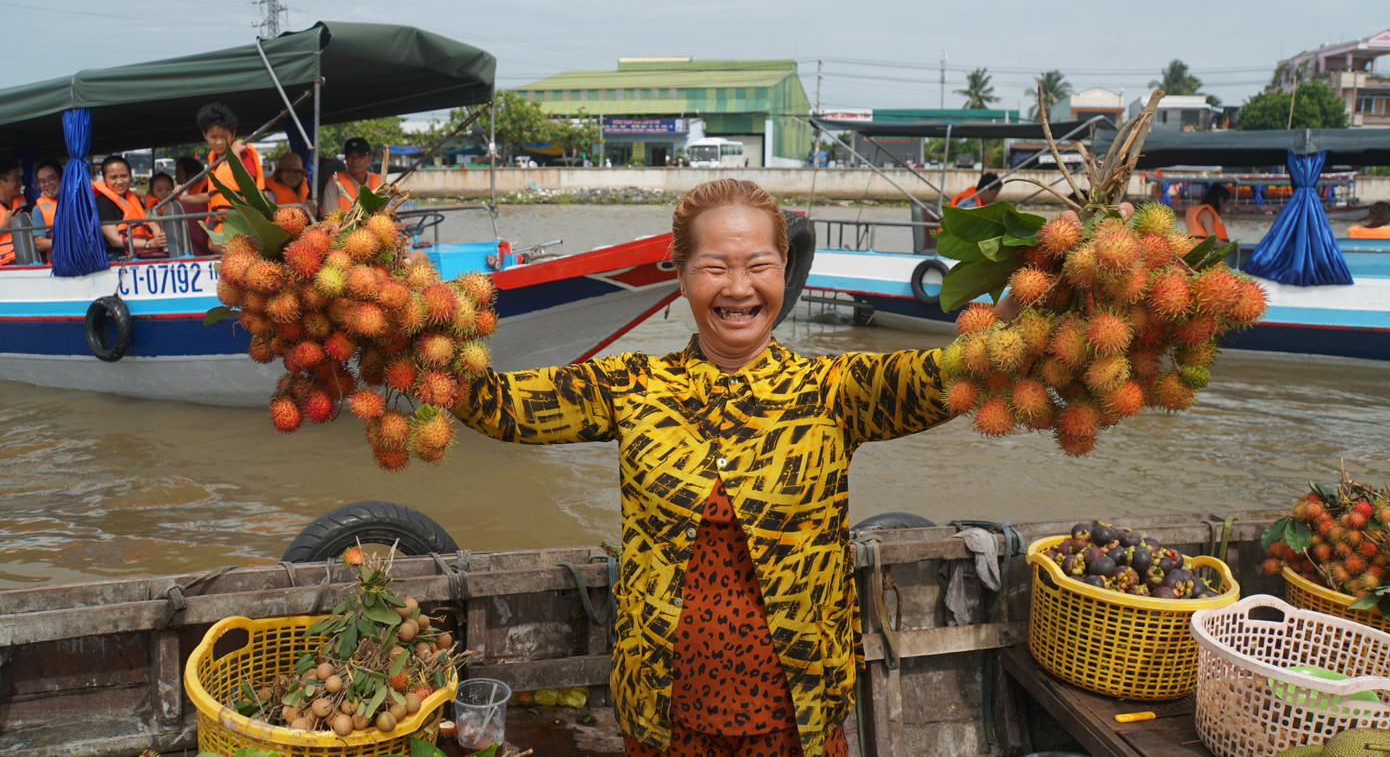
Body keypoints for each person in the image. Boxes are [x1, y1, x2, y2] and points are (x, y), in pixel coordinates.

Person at [454, 179, 1014, 757]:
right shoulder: (633, 386)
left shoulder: (834, 390)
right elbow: (496, 405)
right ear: (681, 276)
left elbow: (960, 372)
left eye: (759, 265)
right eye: (714, 267)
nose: (739, 288)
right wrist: (421, 323)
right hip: (661, 712)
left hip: (798, 714)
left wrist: (1029, 292)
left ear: (785, 271)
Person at [194, 102, 265, 247]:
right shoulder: (214, 159)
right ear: (204, 135)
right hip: (222, 225)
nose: (219, 142)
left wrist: (236, 154)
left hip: (245, 223)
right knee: (212, 245)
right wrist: (186, 197)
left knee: (213, 245)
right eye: (213, 137)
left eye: (224, 136)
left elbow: (250, 188)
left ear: (233, 133)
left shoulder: (243, 153)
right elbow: (215, 194)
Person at [93, 155, 165, 256]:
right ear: (104, 179)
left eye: (124, 176)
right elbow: (114, 240)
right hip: (116, 254)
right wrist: (149, 244)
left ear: (130, 176)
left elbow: (148, 220)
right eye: (113, 177)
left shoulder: (133, 197)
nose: (120, 181)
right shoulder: (102, 203)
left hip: (141, 250)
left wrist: (160, 237)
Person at [319, 137, 381, 217]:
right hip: (341, 225)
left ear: (369, 158)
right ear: (346, 158)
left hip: (374, 224)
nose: (355, 160)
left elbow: (386, 214)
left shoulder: (379, 181)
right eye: (350, 156)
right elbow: (329, 218)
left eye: (360, 156)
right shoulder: (335, 182)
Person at [176, 155, 216, 256]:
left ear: (192, 176)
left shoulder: (206, 188)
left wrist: (187, 198)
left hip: (209, 233)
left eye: (179, 174)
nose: (176, 178)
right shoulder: (182, 191)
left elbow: (213, 196)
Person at [31, 159, 60, 259]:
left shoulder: (78, 202)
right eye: (42, 181)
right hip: (59, 262)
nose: (47, 184)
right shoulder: (38, 210)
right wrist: (69, 244)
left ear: (61, 178)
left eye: (51, 178)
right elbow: (40, 243)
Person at [0, 159, 25, 265]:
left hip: (26, 255)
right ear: (1, 182)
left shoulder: (21, 199)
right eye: (16, 179)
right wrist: (3, 226)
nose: (20, 183)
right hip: (4, 262)